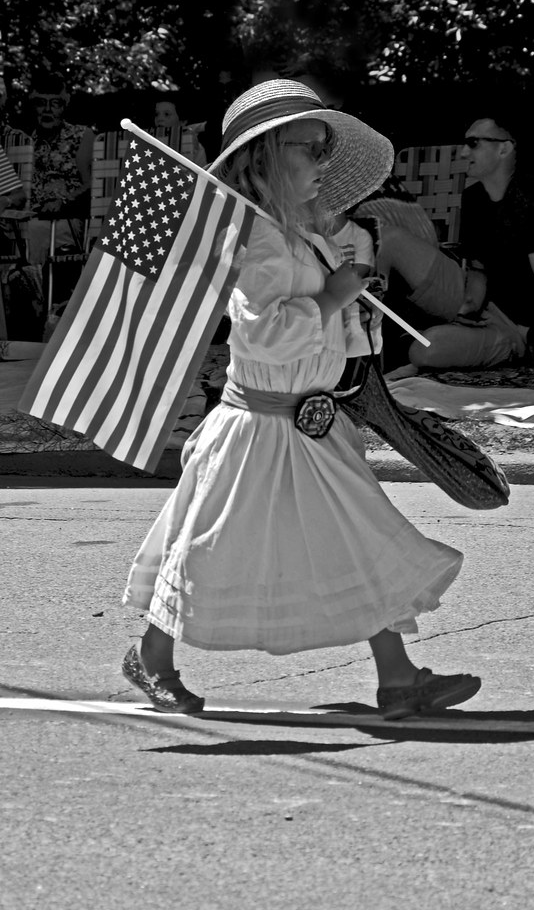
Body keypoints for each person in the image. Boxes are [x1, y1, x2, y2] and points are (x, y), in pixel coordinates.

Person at [121, 79, 481, 721]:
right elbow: (266, 333)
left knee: (358, 537)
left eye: (324, 149)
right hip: (258, 427)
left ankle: (398, 680)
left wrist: (347, 318)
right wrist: (336, 298)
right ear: (261, 158)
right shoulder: (258, 240)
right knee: (210, 547)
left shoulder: (301, 235)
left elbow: (316, 329)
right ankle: (152, 656)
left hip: (310, 422)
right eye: (309, 148)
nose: (321, 161)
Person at [373, 113, 534, 377]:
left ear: (504, 148)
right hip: (481, 304)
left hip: (515, 329)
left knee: (423, 350)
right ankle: (371, 350)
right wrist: (469, 307)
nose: (463, 152)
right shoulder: (473, 199)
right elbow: (477, 268)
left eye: (474, 143)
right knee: (390, 238)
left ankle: (417, 349)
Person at [23, 72, 95, 269]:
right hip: (30, 218)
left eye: (54, 103)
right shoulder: (28, 142)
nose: (47, 110)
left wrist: (64, 202)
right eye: (40, 103)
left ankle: (36, 297)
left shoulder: (81, 136)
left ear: (64, 105)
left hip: (67, 221)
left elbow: (92, 185)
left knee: (30, 234)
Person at [152, 92, 207, 166]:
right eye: (157, 114)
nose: (160, 119)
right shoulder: (146, 140)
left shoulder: (194, 146)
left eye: (167, 114)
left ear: (182, 121)